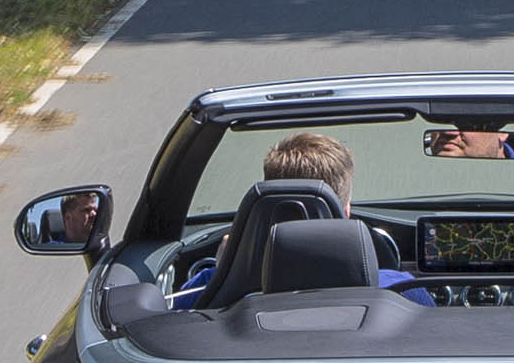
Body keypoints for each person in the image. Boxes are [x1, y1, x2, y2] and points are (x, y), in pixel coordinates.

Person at [174, 129, 432, 303]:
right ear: (346, 210)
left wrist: (225, 269)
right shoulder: (400, 291)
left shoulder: (209, 287)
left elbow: (174, 330)